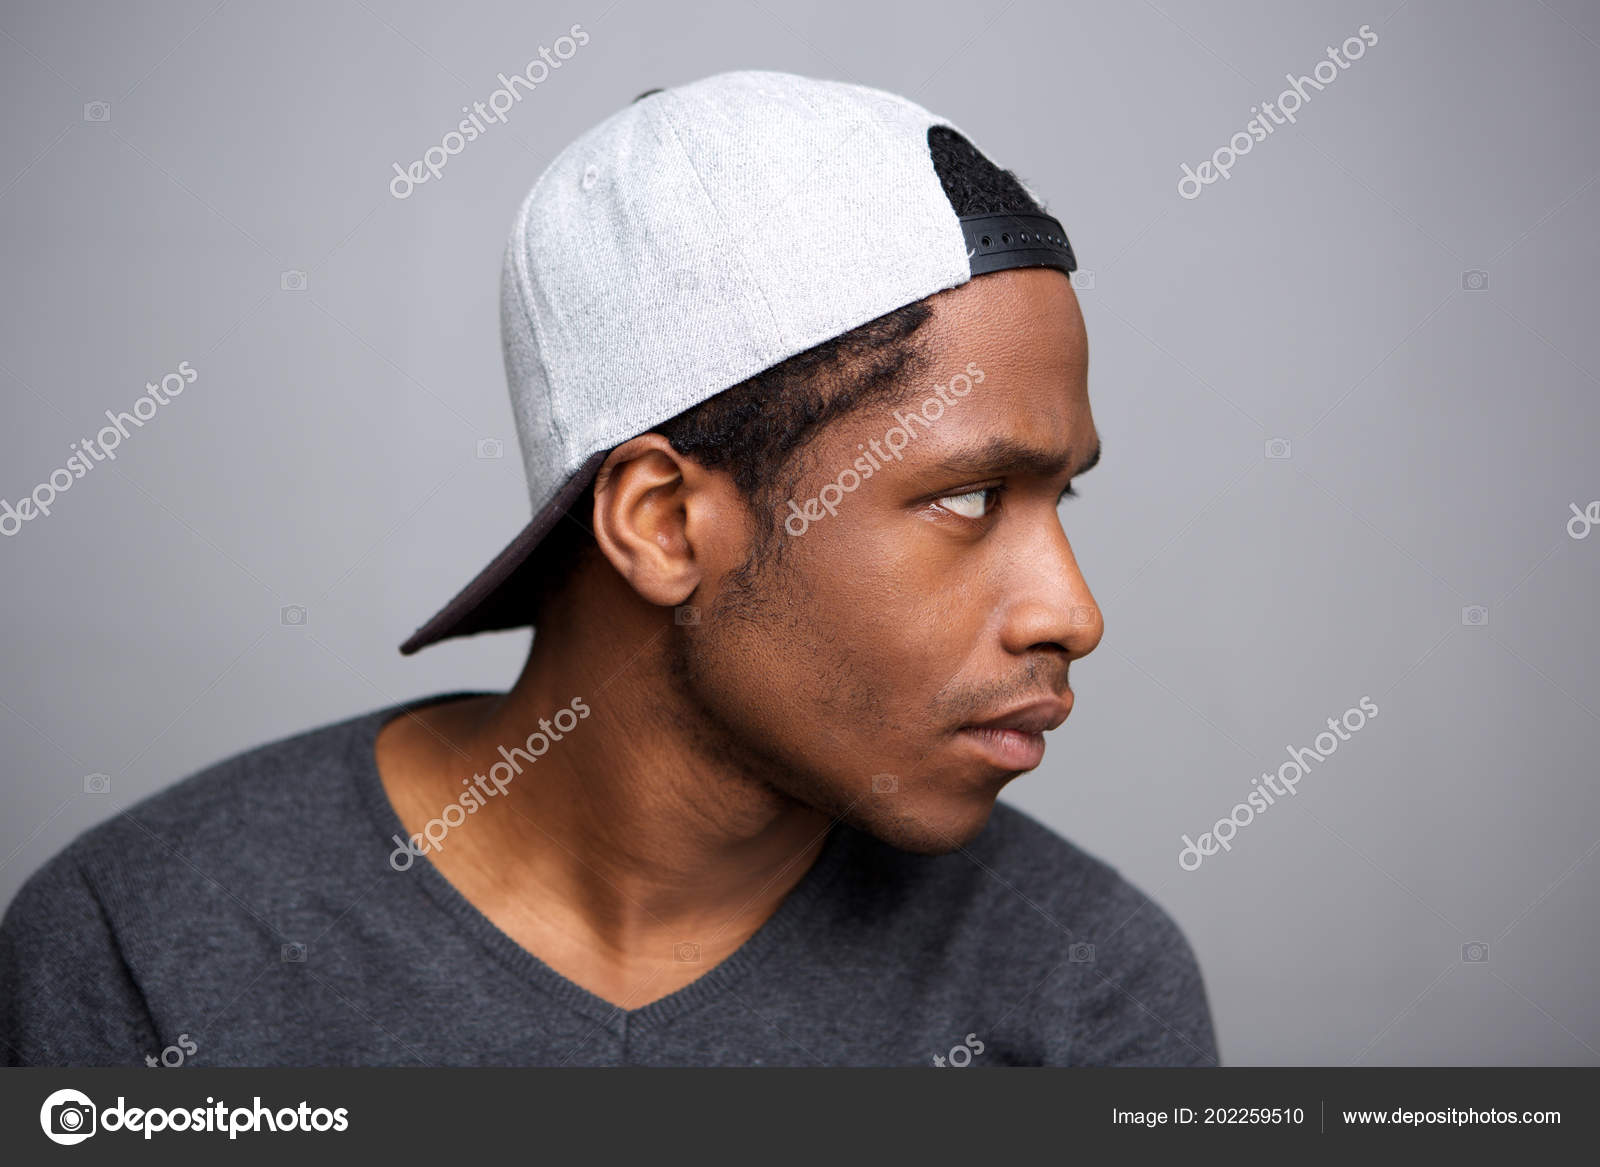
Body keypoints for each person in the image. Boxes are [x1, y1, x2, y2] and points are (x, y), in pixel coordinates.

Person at [0, 71, 1216, 1067]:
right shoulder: (146, 946)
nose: (1073, 611)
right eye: (964, 496)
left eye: (1061, 500)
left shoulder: (1082, 991)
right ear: (664, 524)